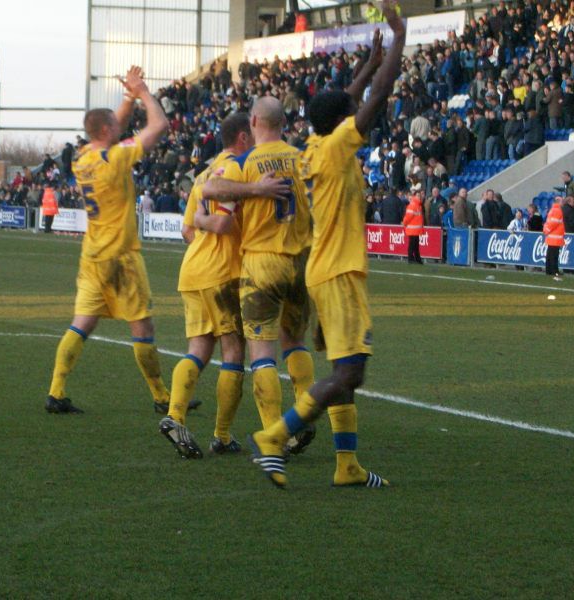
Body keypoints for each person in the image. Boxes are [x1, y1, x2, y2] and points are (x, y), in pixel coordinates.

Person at [247, 0, 404, 489]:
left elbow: (345, 99)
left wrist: (367, 64)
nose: (357, 111)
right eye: (351, 113)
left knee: (343, 371)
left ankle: (347, 466)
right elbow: (376, 98)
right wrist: (398, 38)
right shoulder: (336, 146)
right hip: (338, 272)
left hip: (325, 268)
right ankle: (275, 434)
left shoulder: (315, 142)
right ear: (343, 121)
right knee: (349, 375)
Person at [44, 65, 175, 415]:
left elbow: (110, 128)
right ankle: (162, 396)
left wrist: (127, 97)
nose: (122, 126)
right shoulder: (115, 158)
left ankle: (56, 391)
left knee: (82, 322)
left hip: (92, 255)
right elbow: (159, 126)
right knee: (143, 326)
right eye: (115, 126)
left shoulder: (84, 158)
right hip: (121, 257)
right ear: (106, 131)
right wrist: (145, 92)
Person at [159, 113, 281, 458]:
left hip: (192, 271)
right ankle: (222, 435)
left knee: (197, 349)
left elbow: (187, 232)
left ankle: (174, 415)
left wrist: (200, 221)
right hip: (223, 273)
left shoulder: (202, 175)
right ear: (243, 137)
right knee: (234, 353)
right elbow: (225, 226)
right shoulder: (235, 171)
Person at [202, 97, 315, 455]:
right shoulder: (303, 160)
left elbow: (210, 189)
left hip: (263, 262)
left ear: (253, 121)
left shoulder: (244, 161)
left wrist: (254, 189)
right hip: (301, 262)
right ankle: (304, 416)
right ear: (283, 123)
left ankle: (275, 434)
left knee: (261, 350)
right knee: (295, 341)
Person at [543, 196, 565, 280]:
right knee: (554, 255)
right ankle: (554, 271)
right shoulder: (558, 211)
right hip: (556, 237)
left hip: (551, 237)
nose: (563, 202)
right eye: (561, 201)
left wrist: (546, 230)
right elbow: (554, 223)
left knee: (550, 254)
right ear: (558, 202)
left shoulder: (552, 210)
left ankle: (549, 270)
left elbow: (548, 222)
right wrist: (548, 230)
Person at [402, 192, 425, 264]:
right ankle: (411, 258)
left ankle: (416, 259)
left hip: (415, 229)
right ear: (414, 196)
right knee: (412, 245)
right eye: (418, 195)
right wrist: (404, 223)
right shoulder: (414, 205)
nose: (420, 197)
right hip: (413, 229)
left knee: (415, 245)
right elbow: (408, 217)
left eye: (420, 195)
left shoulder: (418, 205)